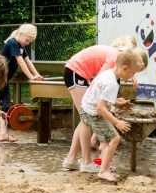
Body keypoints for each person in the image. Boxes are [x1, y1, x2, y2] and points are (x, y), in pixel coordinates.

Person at [62, 42, 147, 172]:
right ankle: (85, 161)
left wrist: (112, 100)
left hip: (81, 74)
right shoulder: (114, 59)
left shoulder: (120, 58)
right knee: (86, 118)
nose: (133, 76)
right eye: (134, 72)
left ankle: (72, 159)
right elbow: (99, 82)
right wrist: (111, 109)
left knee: (85, 119)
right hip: (76, 72)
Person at [80, 49, 144, 182]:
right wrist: (117, 122)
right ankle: (103, 171)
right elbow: (101, 108)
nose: (132, 77)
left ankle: (102, 164)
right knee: (114, 139)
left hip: (86, 108)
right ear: (125, 68)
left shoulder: (108, 73)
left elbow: (100, 97)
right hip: (94, 113)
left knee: (105, 141)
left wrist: (115, 101)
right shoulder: (112, 83)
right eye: (133, 73)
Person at [0, 24, 43, 142]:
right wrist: (31, 77)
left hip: (4, 79)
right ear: (21, 34)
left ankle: (2, 134)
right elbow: (20, 61)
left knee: (5, 105)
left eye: (30, 41)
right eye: (27, 40)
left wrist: (36, 75)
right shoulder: (12, 43)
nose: (28, 43)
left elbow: (27, 61)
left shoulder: (20, 45)